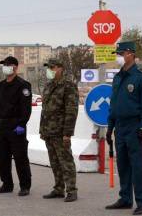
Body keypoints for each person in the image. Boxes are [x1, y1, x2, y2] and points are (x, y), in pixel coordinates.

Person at [105, 41, 142, 215]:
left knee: (139, 166)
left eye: (120, 54)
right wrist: (110, 127)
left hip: (135, 127)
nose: (118, 58)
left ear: (130, 54)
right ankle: (125, 199)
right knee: (123, 165)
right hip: (120, 126)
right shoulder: (118, 77)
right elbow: (114, 104)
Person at [0, 56, 32, 196]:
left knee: (20, 158)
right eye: (4, 64)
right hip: (2, 125)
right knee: (3, 157)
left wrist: (21, 124)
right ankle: (7, 184)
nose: (5, 67)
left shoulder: (23, 85)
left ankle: (25, 186)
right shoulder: (1, 85)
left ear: (15, 67)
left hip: (16, 126)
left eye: (8, 65)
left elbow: (26, 108)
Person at [40, 58, 79, 202]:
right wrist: (42, 130)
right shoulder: (49, 85)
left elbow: (71, 111)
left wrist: (67, 133)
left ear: (60, 68)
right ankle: (58, 188)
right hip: (49, 131)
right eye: (48, 68)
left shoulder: (68, 86)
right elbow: (45, 110)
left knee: (66, 161)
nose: (49, 70)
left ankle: (72, 190)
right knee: (54, 162)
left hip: (61, 131)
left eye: (52, 67)